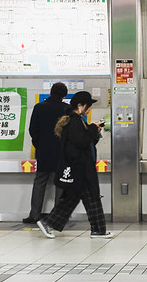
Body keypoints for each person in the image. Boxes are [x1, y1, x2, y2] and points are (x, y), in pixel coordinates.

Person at [36, 91, 114, 239]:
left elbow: (86, 142)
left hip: (81, 167)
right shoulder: (74, 121)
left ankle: (97, 230)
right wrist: (92, 128)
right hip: (80, 168)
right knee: (87, 198)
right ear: (80, 105)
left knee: (77, 199)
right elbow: (81, 141)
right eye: (88, 106)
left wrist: (94, 130)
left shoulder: (77, 120)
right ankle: (49, 222)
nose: (89, 109)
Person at [23, 82, 68, 225]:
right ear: (64, 96)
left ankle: (34, 215)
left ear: (50, 92)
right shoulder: (67, 109)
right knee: (61, 184)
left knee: (40, 182)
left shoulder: (39, 107)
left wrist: (39, 145)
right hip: (62, 153)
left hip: (43, 152)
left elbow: (32, 130)